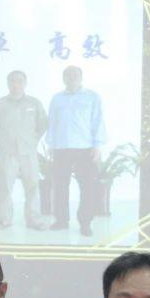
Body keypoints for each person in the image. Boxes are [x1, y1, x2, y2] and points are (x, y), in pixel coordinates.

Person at [45, 66, 105, 237]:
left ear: (81, 77)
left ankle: (85, 223)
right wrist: (51, 145)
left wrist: (97, 145)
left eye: (75, 75)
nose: (71, 78)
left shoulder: (92, 97)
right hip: (61, 148)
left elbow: (98, 120)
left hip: (85, 148)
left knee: (87, 187)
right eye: (68, 75)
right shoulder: (57, 99)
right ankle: (61, 220)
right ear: (63, 78)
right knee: (60, 186)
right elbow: (52, 123)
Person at [0, 70, 49, 230]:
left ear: (25, 83)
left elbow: (43, 123)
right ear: (8, 83)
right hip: (8, 152)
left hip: (28, 152)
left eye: (19, 81)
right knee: (6, 187)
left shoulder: (34, 103)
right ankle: (4, 219)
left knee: (32, 186)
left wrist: (33, 140)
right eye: (13, 81)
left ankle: (34, 219)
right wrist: (1, 140)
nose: (16, 84)